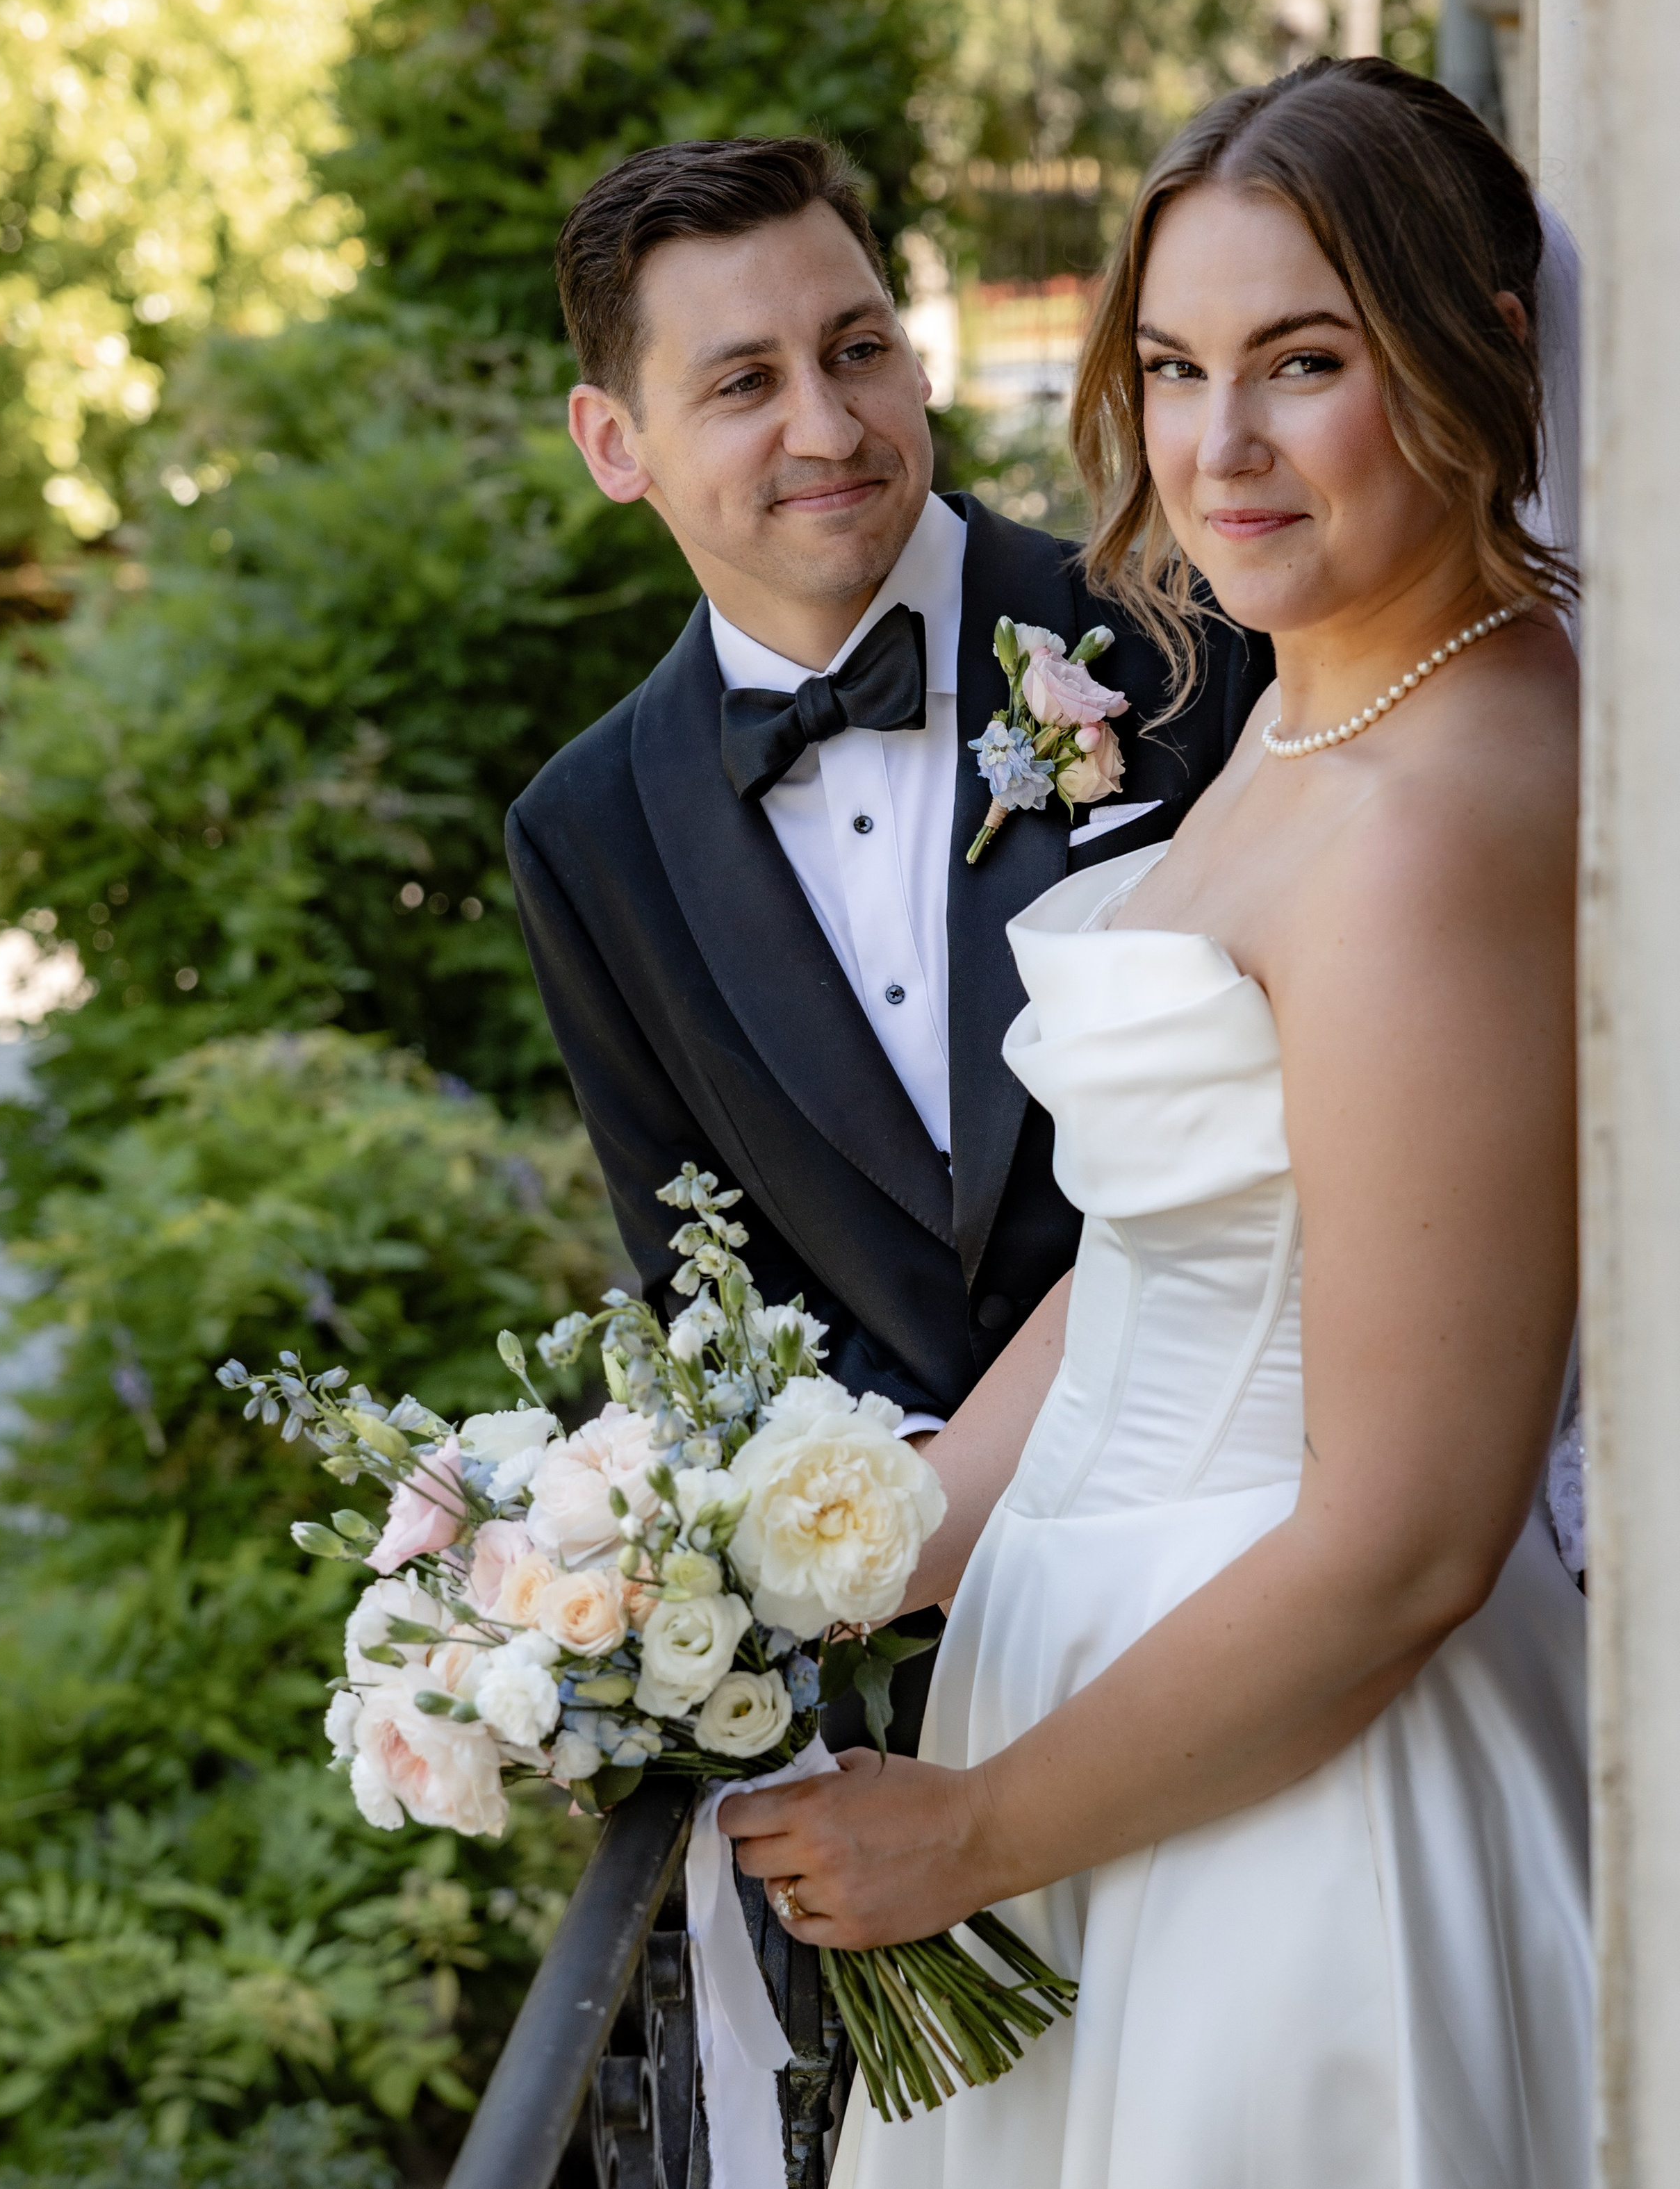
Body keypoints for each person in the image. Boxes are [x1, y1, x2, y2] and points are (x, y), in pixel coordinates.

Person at [723, 58, 1590, 2189]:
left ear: (1483, 345)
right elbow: (1163, 1262)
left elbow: (1409, 1527)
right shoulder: (1319, 710)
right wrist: (856, 1535)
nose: (1217, 451)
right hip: (1113, 1715)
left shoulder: (1442, 804)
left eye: (1306, 363)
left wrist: (979, 1831)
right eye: (1177, 372)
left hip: (1297, 1796)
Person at [507, 138, 1267, 1612]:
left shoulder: (1188, 636)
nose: (827, 423)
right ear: (614, 443)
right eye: (742, 384)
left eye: (856, 349)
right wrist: (890, 1539)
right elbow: (705, 1288)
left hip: (1246, 1520)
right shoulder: (582, 829)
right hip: (920, 1631)